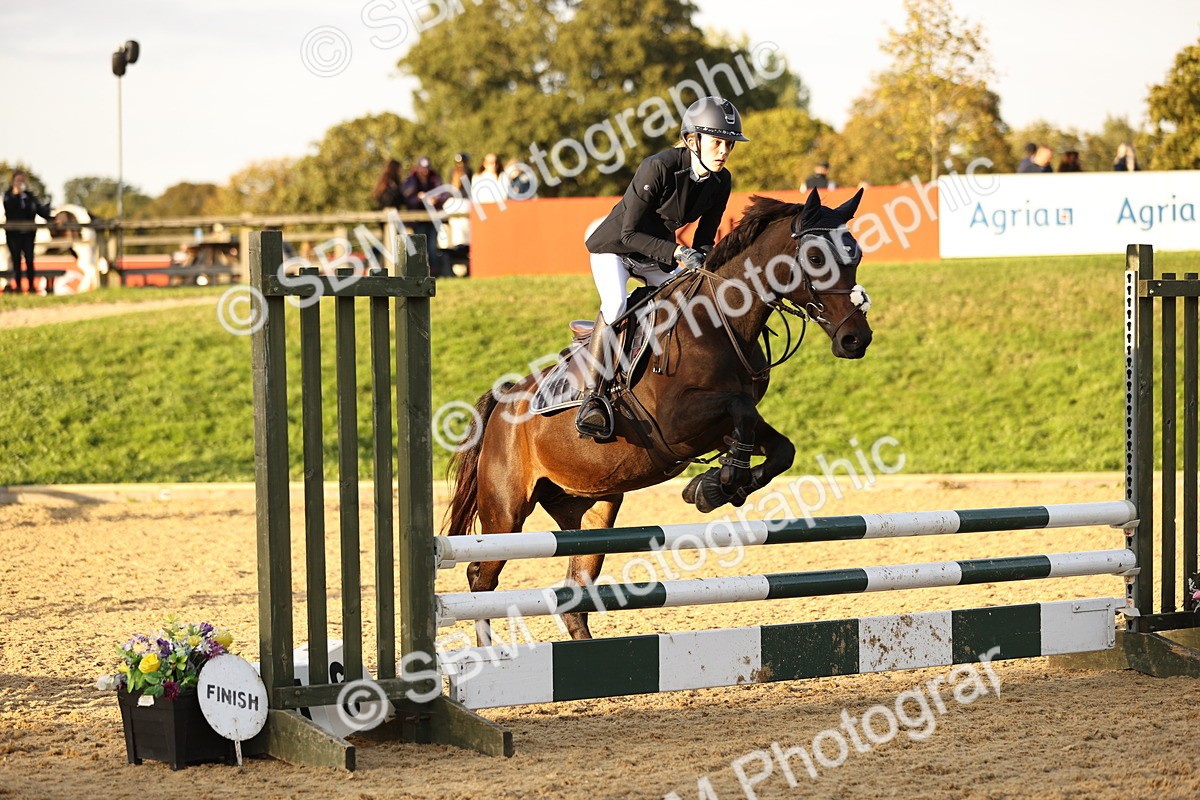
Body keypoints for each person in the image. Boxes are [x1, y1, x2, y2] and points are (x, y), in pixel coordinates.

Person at [575, 96, 746, 439]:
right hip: (615, 249)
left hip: (657, 254)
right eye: (717, 142)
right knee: (616, 304)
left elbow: (705, 238)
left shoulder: (720, 181)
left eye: (728, 144)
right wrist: (680, 254)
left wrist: (704, 260)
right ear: (692, 140)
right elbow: (630, 233)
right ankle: (591, 398)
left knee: (684, 300)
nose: (724, 151)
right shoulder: (658, 166)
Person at [3, 170, 54, 294]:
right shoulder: (8, 196)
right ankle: (18, 287)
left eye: (22, 180)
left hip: (28, 234)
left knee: (29, 260)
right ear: (14, 182)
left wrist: (52, 219)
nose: (21, 183)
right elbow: (8, 208)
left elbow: (40, 210)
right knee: (16, 261)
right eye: (18, 180)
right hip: (14, 235)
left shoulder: (30, 197)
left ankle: (31, 287)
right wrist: (16, 195)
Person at [401, 156, 447, 276]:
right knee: (419, 246)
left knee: (432, 246)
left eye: (426, 168)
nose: (425, 171)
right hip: (418, 221)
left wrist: (436, 199)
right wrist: (419, 198)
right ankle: (419, 272)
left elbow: (445, 194)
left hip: (432, 220)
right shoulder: (411, 180)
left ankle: (434, 273)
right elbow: (407, 198)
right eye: (423, 168)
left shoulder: (435, 178)